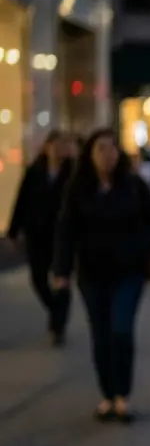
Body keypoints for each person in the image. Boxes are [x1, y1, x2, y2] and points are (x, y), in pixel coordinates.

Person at [52, 128, 150, 422]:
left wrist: (144, 247)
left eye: (112, 148)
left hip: (129, 273)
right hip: (92, 275)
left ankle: (122, 395)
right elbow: (67, 231)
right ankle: (107, 394)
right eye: (100, 148)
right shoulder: (79, 189)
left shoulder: (133, 186)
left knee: (121, 330)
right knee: (101, 335)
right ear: (90, 154)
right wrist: (61, 271)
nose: (106, 154)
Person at [7, 130, 77, 345]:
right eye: (55, 144)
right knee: (38, 279)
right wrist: (14, 230)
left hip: (61, 236)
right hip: (37, 233)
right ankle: (55, 309)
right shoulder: (34, 171)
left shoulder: (73, 173)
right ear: (47, 147)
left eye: (63, 144)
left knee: (61, 279)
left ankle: (58, 325)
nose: (58, 149)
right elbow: (21, 200)